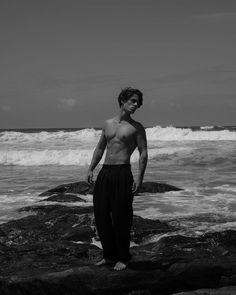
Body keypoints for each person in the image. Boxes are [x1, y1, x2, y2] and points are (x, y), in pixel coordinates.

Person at [86, 87, 148, 271]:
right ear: (123, 100)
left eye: (138, 102)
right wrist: (91, 169)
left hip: (123, 173)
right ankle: (109, 256)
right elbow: (100, 149)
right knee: (101, 215)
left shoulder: (136, 128)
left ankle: (123, 257)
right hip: (105, 172)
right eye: (133, 101)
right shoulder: (107, 124)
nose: (136, 105)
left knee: (122, 217)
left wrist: (140, 177)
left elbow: (144, 153)